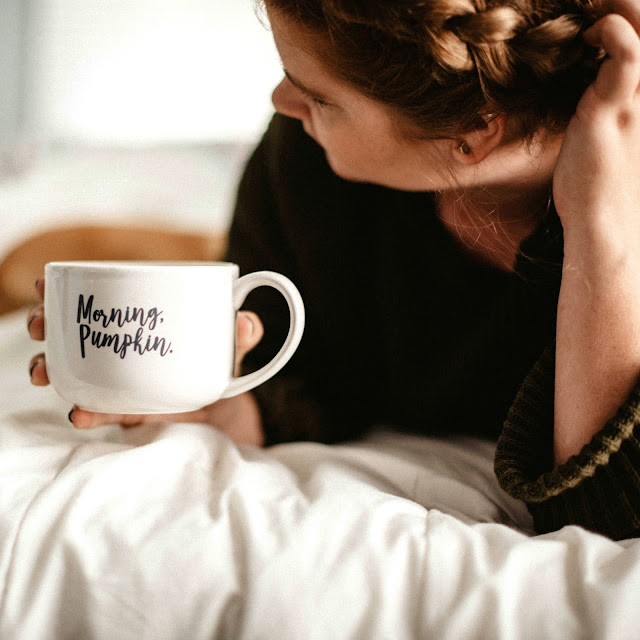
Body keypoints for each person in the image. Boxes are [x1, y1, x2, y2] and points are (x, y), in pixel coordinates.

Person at [27, 0, 640, 540]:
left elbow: (608, 520)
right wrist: (226, 406)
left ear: (475, 131)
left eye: (320, 97)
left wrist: (598, 222)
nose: (282, 101)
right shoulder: (303, 168)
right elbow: (306, 379)